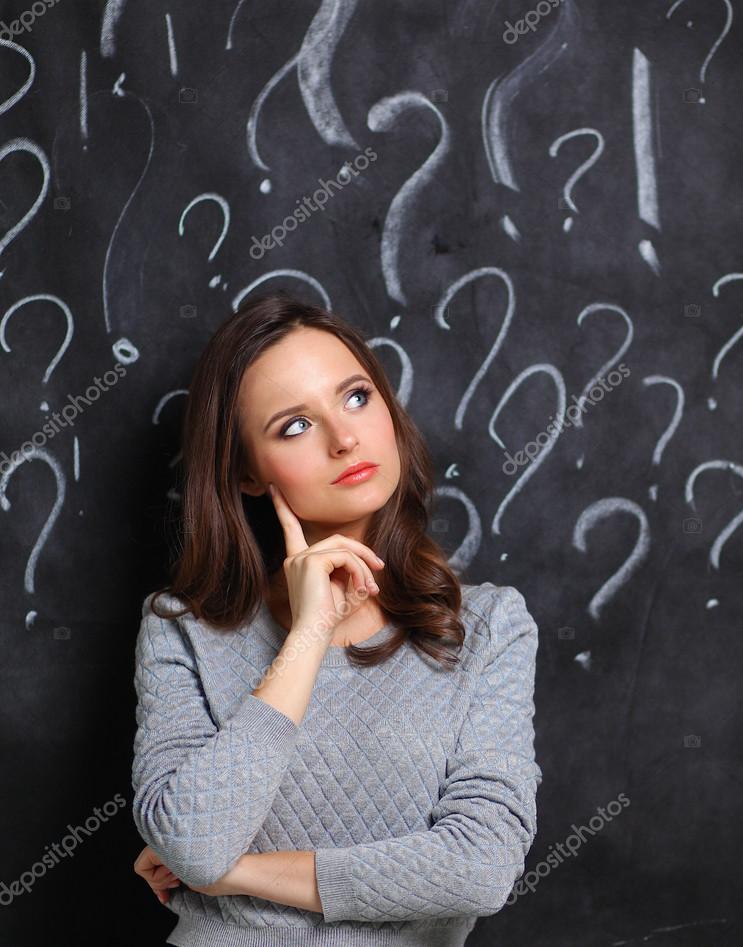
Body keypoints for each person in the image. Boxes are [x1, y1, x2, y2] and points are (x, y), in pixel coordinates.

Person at [130, 291, 542, 945]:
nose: (345, 437)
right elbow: (191, 842)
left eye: (356, 397)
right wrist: (307, 636)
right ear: (246, 473)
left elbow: (482, 866)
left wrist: (239, 874)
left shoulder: (489, 627)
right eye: (294, 425)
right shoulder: (184, 627)